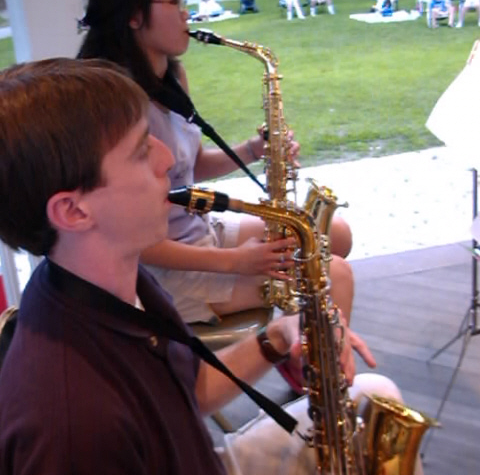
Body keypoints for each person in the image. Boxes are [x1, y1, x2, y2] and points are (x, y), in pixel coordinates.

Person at [0, 58, 425, 475]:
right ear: (73, 211)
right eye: (142, 150)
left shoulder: (113, 279)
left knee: (375, 396)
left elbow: (189, 388)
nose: (167, 159)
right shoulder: (73, 429)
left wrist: (279, 335)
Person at [77, 0, 353, 325]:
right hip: (164, 271)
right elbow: (131, 240)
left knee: (336, 234)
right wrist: (235, 262)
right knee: (335, 275)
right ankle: (304, 353)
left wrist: (254, 149)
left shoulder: (173, 77)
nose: (185, 14)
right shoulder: (112, 103)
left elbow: (190, 167)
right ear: (133, 15)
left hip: (200, 231)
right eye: (174, 1)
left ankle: (296, 345)